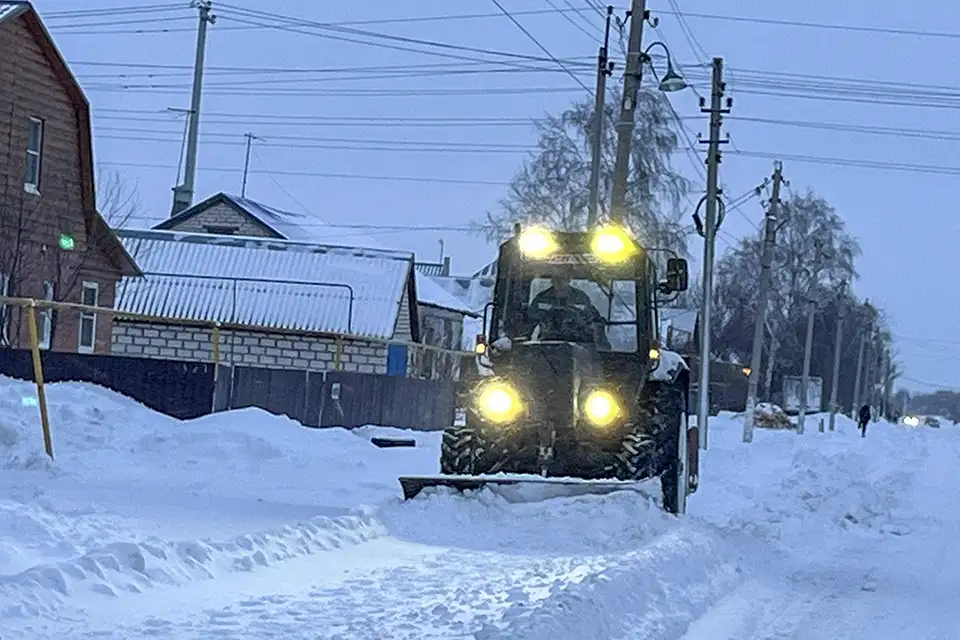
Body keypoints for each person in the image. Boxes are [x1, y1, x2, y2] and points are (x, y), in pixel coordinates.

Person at [527, 274, 609, 347]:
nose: (559, 282)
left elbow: (595, 322)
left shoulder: (581, 298)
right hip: (547, 347)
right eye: (556, 278)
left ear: (569, 279)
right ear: (552, 280)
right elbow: (529, 322)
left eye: (563, 278)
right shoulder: (542, 298)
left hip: (578, 348)